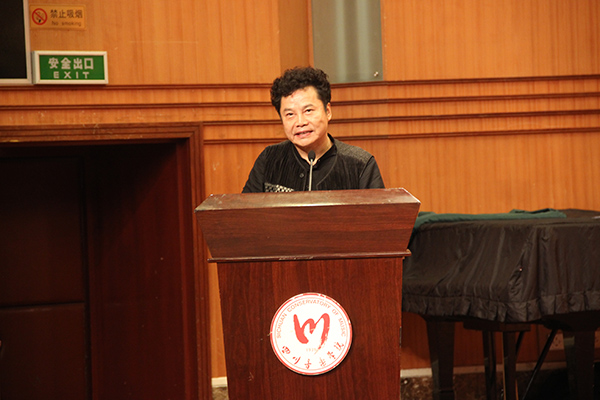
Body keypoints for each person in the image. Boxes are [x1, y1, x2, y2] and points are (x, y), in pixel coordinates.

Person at [242, 66, 385, 193]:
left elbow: (378, 214)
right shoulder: (270, 159)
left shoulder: (360, 165)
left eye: (308, 111)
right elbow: (246, 211)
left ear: (328, 111)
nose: (300, 122)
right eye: (290, 114)